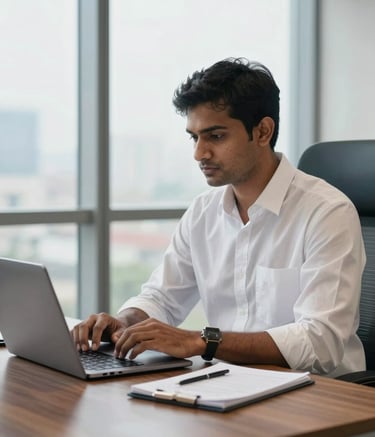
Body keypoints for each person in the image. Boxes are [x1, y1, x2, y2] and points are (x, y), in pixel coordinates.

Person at [72, 57, 366, 376]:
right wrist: (126, 322)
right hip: (229, 383)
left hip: (319, 396)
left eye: (215, 136)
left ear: (263, 131)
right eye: (194, 137)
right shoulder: (203, 212)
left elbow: (319, 343)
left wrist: (203, 342)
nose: (199, 153)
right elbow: (162, 297)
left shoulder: (327, 212)